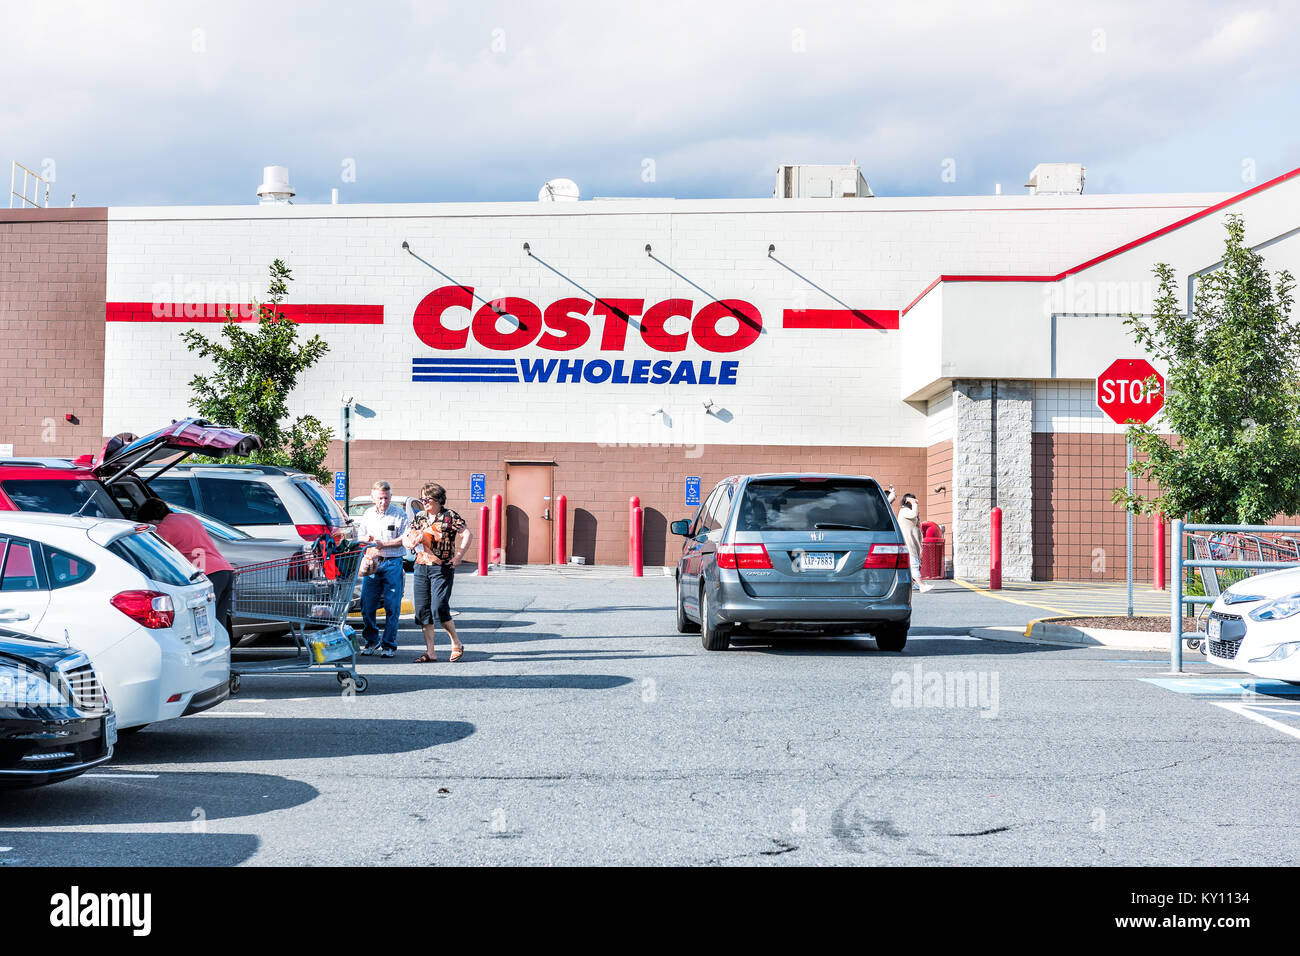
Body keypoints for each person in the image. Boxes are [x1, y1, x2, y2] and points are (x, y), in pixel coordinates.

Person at [136, 496, 236, 635]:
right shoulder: (188, 518)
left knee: (205, 623)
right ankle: (224, 650)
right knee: (218, 620)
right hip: (224, 570)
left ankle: (211, 652)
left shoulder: (162, 529)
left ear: (151, 519)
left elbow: (154, 556)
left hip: (205, 574)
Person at [403, 482, 472, 663]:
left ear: (438, 500)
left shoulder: (449, 516)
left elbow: (467, 534)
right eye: (422, 498)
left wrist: (459, 555)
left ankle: (456, 642)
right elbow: (408, 536)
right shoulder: (420, 517)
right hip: (421, 565)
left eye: (428, 499)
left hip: (441, 567)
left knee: (439, 607)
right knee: (422, 610)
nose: (424, 502)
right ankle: (430, 652)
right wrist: (409, 542)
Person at [356, 480, 409, 658]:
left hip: (393, 562)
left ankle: (389, 645)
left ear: (390, 497)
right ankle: (372, 640)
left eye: (386, 498)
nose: (383, 502)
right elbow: (361, 536)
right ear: (373, 498)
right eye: (380, 498)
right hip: (373, 562)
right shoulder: (368, 514)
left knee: (392, 605)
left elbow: (404, 538)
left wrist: (383, 544)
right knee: (366, 604)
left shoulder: (399, 514)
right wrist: (367, 540)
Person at [887, 485, 930, 592]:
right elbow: (913, 514)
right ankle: (921, 585)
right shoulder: (904, 510)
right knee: (914, 563)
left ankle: (914, 583)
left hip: (912, 543)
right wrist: (914, 503)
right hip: (908, 543)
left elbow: (915, 522)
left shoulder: (906, 511)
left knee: (912, 563)